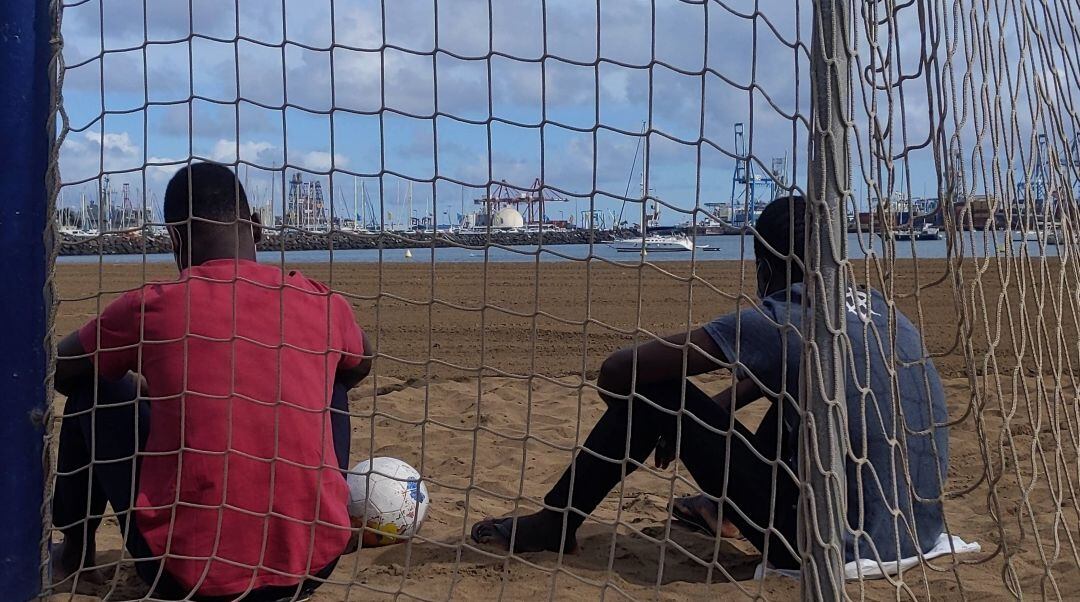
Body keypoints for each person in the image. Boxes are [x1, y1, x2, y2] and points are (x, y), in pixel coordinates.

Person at [471, 195, 949, 571]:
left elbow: (617, 373)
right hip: (914, 530)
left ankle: (558, 522)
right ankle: (722, 509)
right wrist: (714, 411)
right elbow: (786, 373)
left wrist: (668, 419)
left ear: (765, 266)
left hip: (829, 545)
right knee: (797, 399)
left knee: (655, 391)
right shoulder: (880, 309)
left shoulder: (786, 317)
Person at [52, 162, 371, 600]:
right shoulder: (321, 300)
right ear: (257, 228)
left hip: (184, 575)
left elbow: (63, 369)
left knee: (97, 390)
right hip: (311, 566)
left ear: (175, 239)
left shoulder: (153, 306)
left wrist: (148, 384)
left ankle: (74, 554)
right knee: (334, 374)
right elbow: (363, 362)